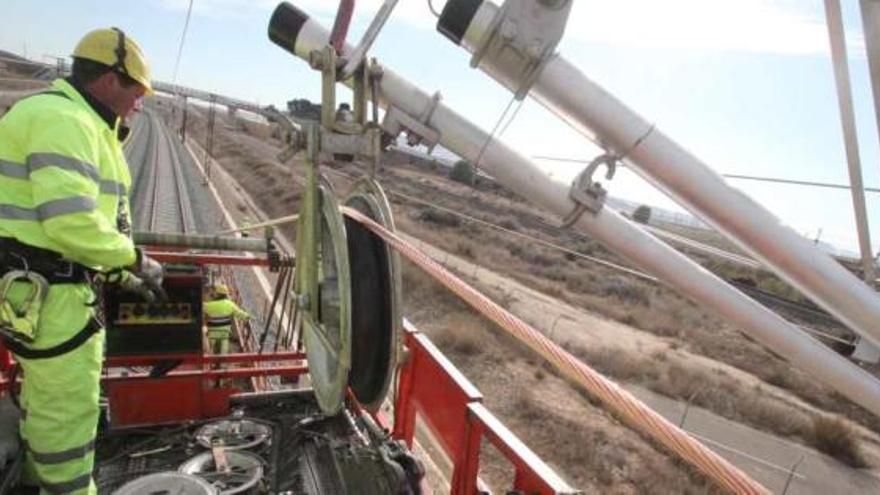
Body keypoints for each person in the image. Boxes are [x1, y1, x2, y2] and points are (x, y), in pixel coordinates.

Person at [0, 28, 162, 494]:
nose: (140, 101)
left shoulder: (69, 118)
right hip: (56, 302)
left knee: (47, 401)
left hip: (46, 291)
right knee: (67, 415)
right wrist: (133, 260)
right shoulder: (66, 122)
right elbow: (70, 224)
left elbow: (73, 228)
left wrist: (118, 273)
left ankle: (35, 480)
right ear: (110, 79)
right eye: (137, 89)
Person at [203, 284, 250, 355]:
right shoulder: (229, 304)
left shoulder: (210, 305)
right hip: (225, 332)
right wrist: (247, 316)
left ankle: (210, 358)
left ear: (217, 294)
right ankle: (223, 361)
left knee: (211, 346)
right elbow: (240, 314)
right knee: (224, 346)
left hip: (212, 332)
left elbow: (201, 307)